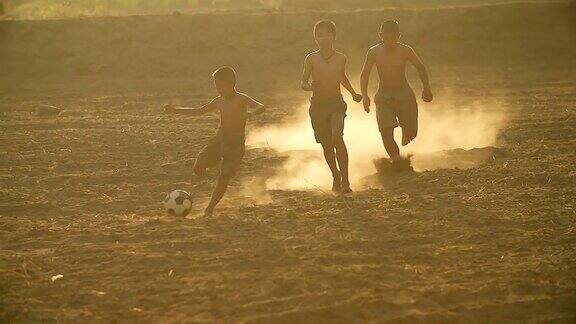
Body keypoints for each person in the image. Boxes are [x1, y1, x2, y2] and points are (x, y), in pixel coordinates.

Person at [164, 66, 265, 216]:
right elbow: (199, 111)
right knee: (198, 166)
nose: (218, 89)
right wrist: (175, 110)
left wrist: (251, 114)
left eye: (220, 86)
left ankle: (210, 207)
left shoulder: (241, 99)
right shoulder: (218, 100)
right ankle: (204, 177)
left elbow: (261, 106)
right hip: (219, 140)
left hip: (235, 146)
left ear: (231, 84)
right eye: (216, 86)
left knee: (224, 177)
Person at [301, 20, 363, 193]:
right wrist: (310, 86)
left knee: (337, 137)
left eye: (327, 34)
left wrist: (353, 93)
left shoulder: (341, 57)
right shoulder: (311, 58)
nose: (323, 38)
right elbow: (303, 82)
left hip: (336, 103)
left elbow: (342, 77)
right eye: (319, 34)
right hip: (318, 106)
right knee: (327, 145)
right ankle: (335, 175)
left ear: (333, 36)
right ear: (315, 38)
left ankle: (346, 181)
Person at [360, 20, 433, 167]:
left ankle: (407, 133)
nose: (390, 42)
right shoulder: (374, 51)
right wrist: (365, 95)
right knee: (386, 131)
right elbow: (365, 74)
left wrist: (426, 88)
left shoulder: (405, 50)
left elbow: (420, 67)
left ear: (399, 36)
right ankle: (398, 162)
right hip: (383, 96)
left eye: (393, 38)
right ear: (380, 35)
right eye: (386, 38)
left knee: (412, 133)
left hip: (404, 94)